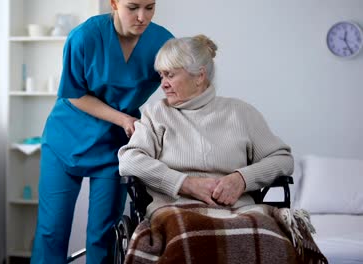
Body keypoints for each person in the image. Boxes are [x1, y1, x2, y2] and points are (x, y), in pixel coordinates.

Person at [31, 0, 174, 263]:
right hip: (66, 140)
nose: (142, 17)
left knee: (104, 235)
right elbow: (74, 94)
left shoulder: (162, 42)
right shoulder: (84, 37)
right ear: (114, 3)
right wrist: (123, 118)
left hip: (114, 147)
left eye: (150, 7)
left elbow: (176, 83)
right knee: (52, 231)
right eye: (133, 7)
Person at [118, 34, 294, 219]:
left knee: (271, 239)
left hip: (238, 212)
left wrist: (242, 179)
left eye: (170, 75)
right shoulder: (156, 113)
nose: (163, 84)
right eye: (161, 75)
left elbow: (283, 159)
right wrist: (184, 183)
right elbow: (129, 161)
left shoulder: (241, 112)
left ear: (199, 76)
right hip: (175, 211)